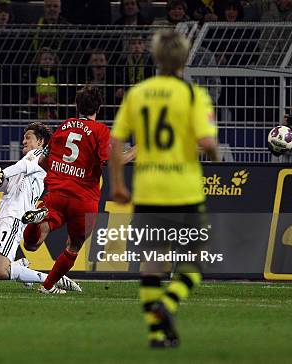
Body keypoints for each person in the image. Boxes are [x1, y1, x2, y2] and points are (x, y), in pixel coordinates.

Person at [109, 29, 219, 348]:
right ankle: (168, 305)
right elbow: (208, 143)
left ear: (155, 58)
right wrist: (213, 153)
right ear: (185, 58)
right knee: (197, 260)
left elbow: (116, 142)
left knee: (152, 263)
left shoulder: (138, 93)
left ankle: (157, 335)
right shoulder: (193, 95)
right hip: (184, 191)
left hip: (148, 191)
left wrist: (117, 184)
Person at [0, 122, 81, 291]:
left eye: (28, 137)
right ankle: (18, 267)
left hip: (13, 219)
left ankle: (52, 279)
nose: (23, 141)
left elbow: (20, 167)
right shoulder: (22, 164)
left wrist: (3, 173)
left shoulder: (39, 157)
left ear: (40, 142)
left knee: (0, 272)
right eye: (23, 138)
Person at [21, 86, 111, 294]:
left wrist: (59, 174)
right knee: (74, 246)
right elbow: (110, 161)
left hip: (57, 193)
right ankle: (47, 286)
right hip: (84, 199)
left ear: (76, 105)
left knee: (32, 243)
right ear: (99, 106)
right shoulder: (101, 131)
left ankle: (36, 222)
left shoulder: (65, 126)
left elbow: (44, 160)